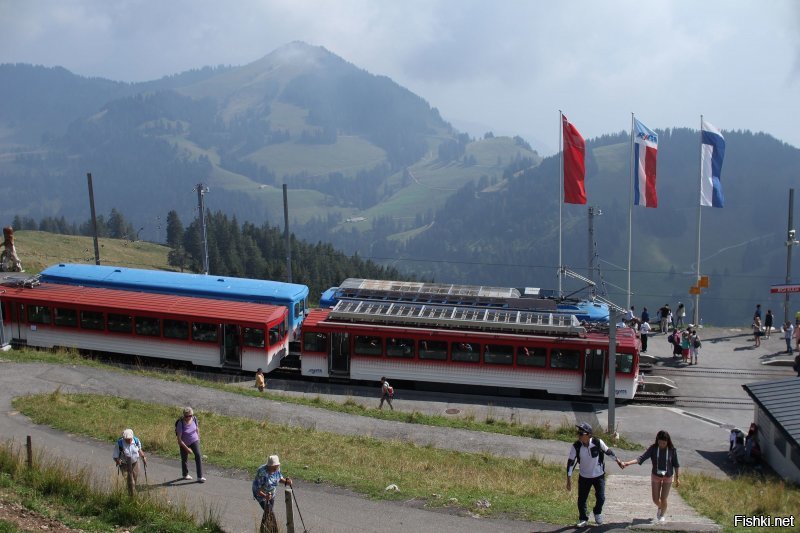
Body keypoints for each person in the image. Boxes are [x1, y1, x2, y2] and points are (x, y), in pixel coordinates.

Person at [566, 422, 623, 527]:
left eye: (581, 433)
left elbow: (608, 451)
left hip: (599, 475)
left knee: (601, 497)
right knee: (582, 499)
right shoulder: (576, 446)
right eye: (578, 433)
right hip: (584, 476)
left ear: (588, 435)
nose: (579, 435)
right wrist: (568, 479)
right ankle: (583, 518)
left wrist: (618, 461)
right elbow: (570, 462)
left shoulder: (597, 442)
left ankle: (597, 512)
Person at [620, 430, 680, 524]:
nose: (661, 444)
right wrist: (628, 463)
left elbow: (676, 464)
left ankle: (662, 514)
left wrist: (677, 478)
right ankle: (661, 506)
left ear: (668, 442)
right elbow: (641, 458)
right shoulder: (653, 448)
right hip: (656, 475)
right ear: (657, 440)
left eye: (664, 443)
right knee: (655, 499)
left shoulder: (672, 450)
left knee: (664, 498)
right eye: (660, 442)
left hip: (668, 476)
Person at [252, 455, 292, 533]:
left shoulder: (276, 469)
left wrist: (287, 482)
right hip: (261, 495)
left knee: (268, 512)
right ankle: (273, 531)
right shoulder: (262, 472)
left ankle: (264, 530)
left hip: (271, 494)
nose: (276, 469)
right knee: (269, 511)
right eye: (274, 467)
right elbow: (258, 489)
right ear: (269, 466)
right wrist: (265, 496)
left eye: (277, 467)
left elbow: (279, 478)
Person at [176, 407, 205, 482]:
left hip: (194, 440)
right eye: (186, 416)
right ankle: (185, 474)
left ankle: (200, 476)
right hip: (184, 442)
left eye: (190, 416)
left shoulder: (194, 419)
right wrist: (187, 449)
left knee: (198, 455)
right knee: (184, 458)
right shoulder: (180, 423)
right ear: (184, 415)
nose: (188, 417)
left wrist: (198, 438)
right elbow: (179, 440)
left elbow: (197, 428)